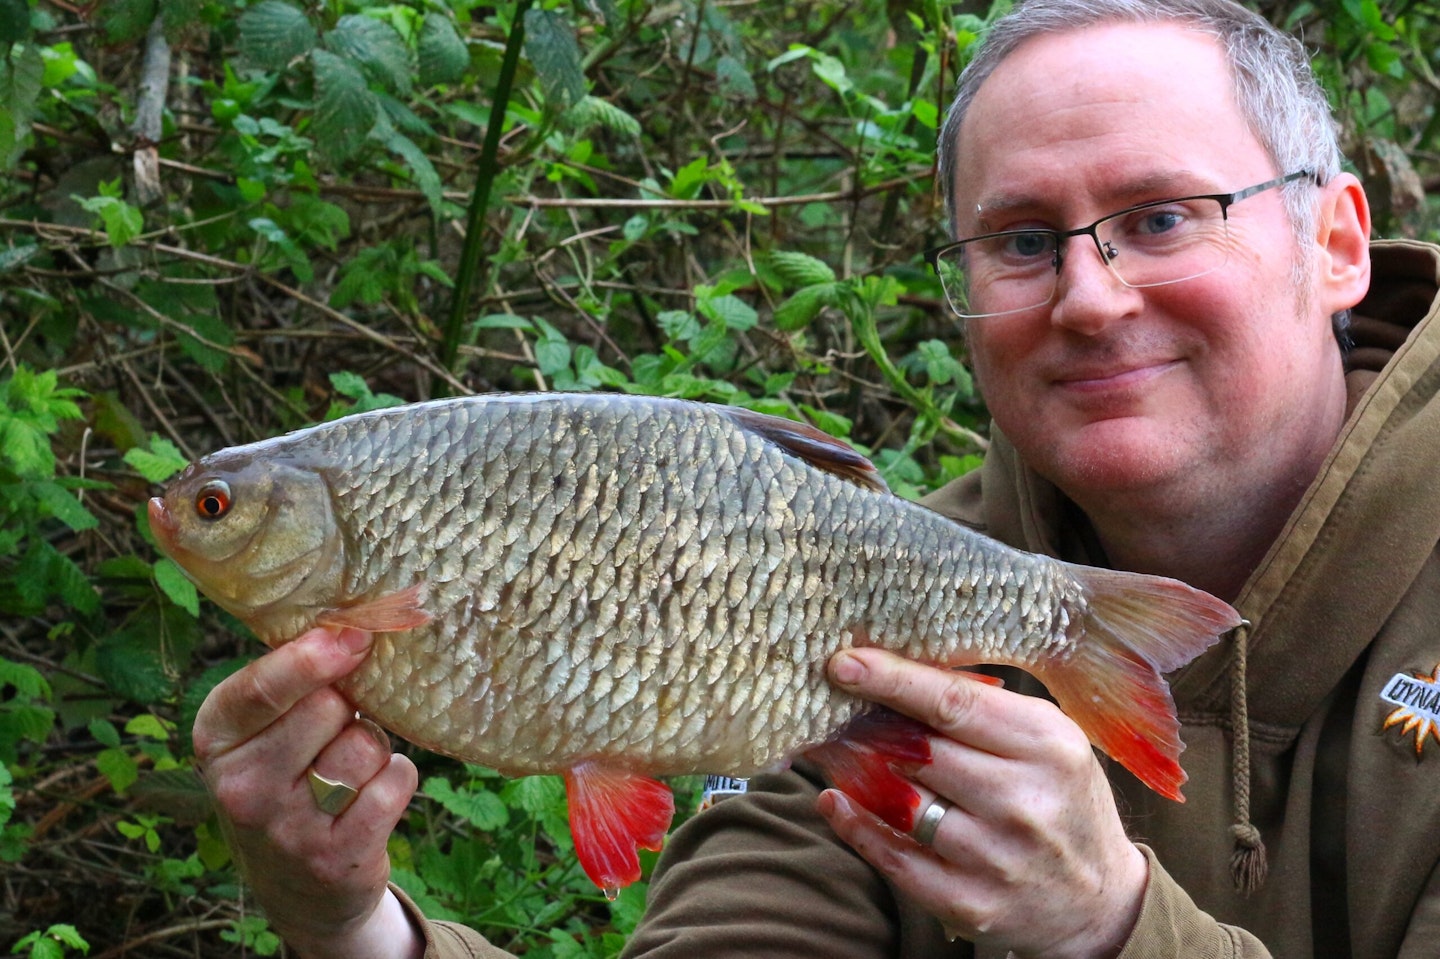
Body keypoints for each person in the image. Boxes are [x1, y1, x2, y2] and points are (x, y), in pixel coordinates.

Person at [190, 0, 1440, 955]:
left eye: (1165, 216)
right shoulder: (825, 602)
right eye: (1020, 240)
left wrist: (1111, 926)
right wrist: (357, 927)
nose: (1091, 295)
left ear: (1334, 242)